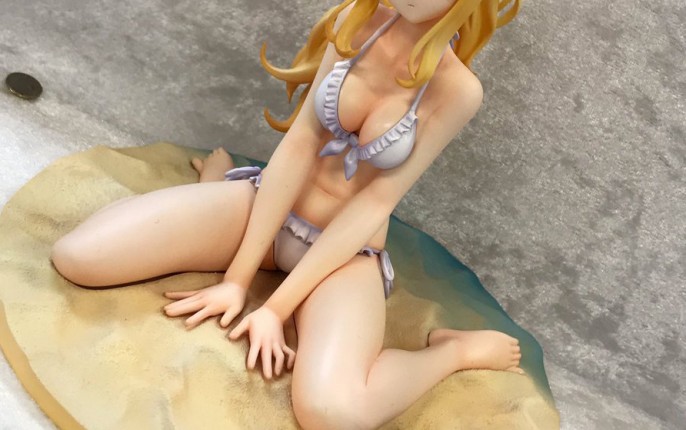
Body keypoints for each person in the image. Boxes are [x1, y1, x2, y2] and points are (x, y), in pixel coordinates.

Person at [51, 0, 523, 428]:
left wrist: (276, 308)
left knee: (333, 413)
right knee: (79, 256)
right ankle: (216, 192)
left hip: (344, 258)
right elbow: (299, 144)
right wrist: (236, 281)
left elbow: (376, 203)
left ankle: (452, 351)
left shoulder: (458, 90)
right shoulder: (355, 24)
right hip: (268, 204)